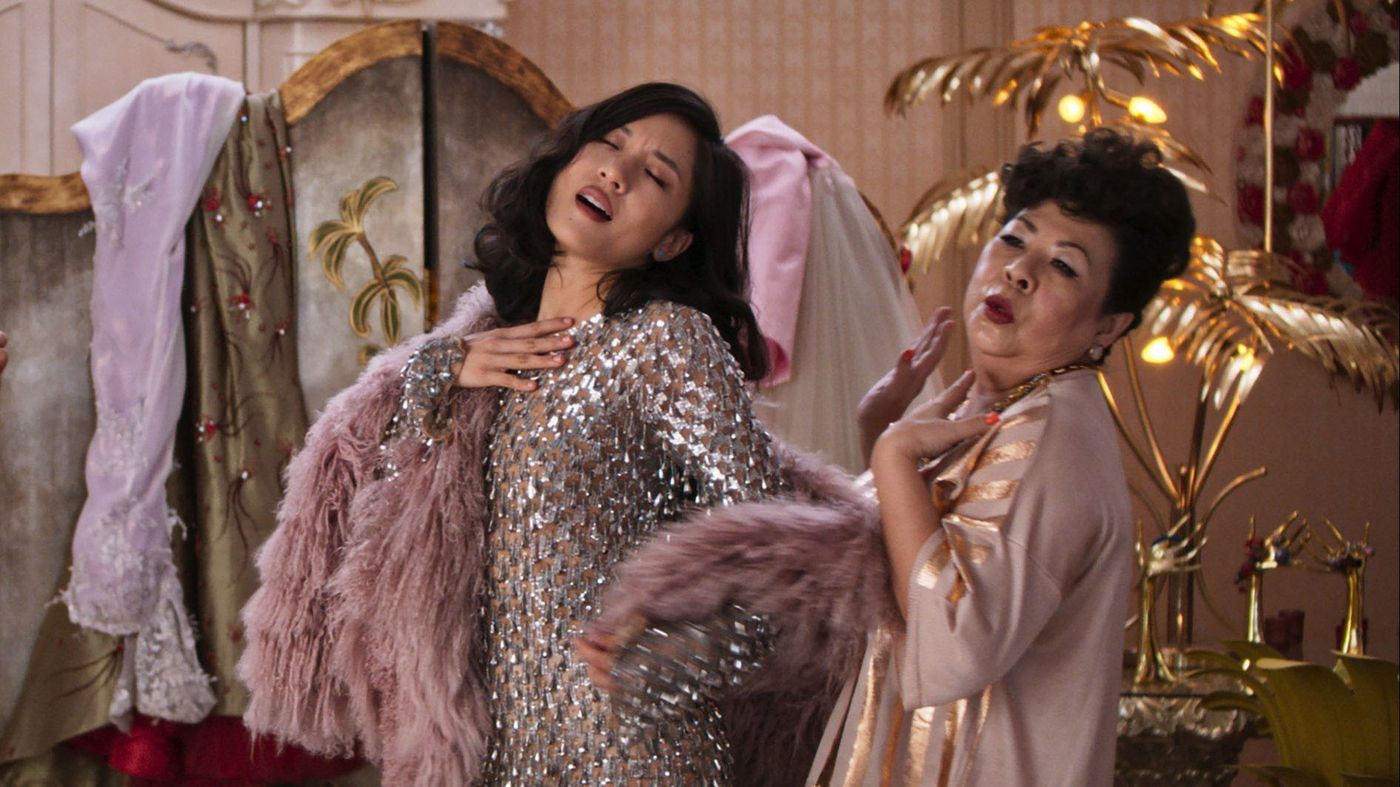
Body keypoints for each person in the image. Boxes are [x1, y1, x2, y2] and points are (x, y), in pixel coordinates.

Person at [586, 128, 1196, 786]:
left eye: (1065, 267)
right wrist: (881, 431)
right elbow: (879, 587)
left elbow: (953, 647)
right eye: (1015, 239)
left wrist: (895, 456)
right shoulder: (1010, 410)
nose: (1020, 270)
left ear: (1108, 325)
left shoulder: (1050, 436)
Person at [238, 83, 794, 785]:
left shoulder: (666, 341)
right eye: (609, 143)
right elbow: (369, 508)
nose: (616, 172)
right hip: (489, 754)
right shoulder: (478, 346)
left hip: (632, 752)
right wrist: (437, 373)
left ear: (674, 240)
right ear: (566, 161)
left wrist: (684, 655)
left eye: (656, 176)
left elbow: (779, 557)